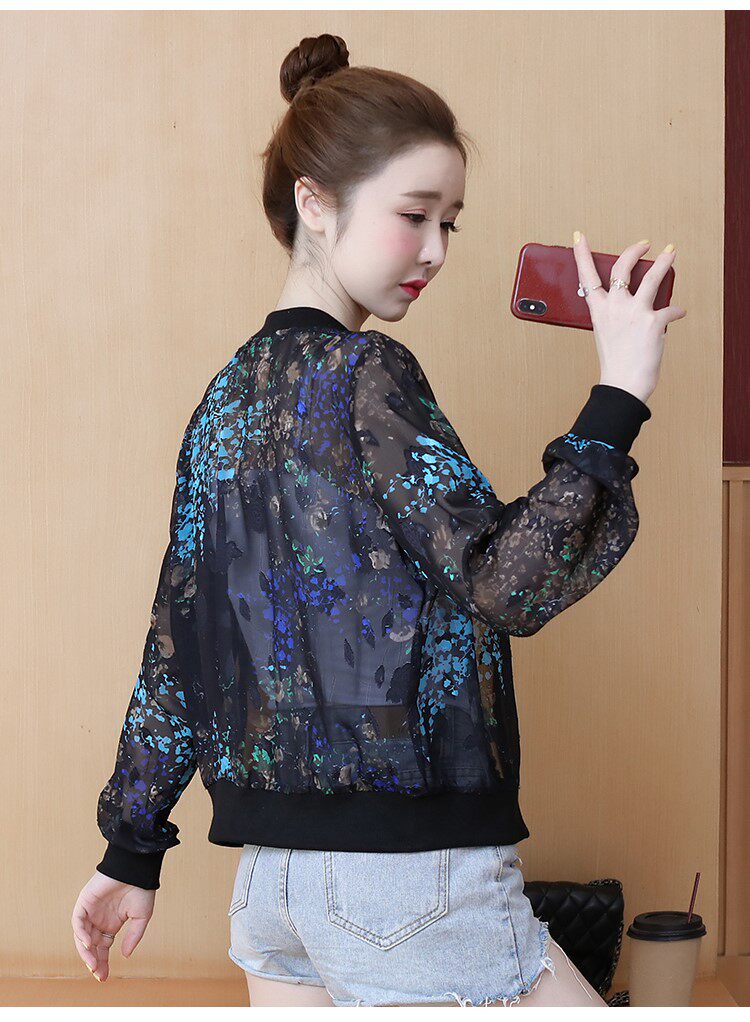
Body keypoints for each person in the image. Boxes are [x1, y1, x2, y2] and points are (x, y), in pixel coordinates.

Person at [71, 33, 685, 1006]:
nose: (436, 249)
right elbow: (504, 581)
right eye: (414, 214)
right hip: (407, 883)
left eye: (451, 222)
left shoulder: (224, 399)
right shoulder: (366, 374)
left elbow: (180, 645)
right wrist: (620, 394)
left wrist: (129, 852)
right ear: (314, 201)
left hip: (270, 895)